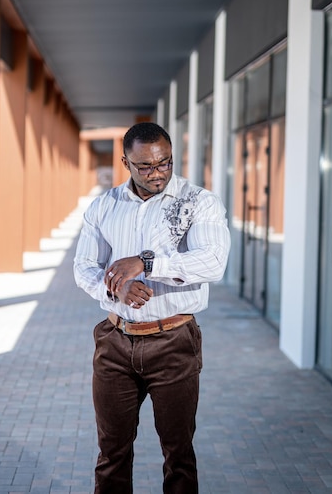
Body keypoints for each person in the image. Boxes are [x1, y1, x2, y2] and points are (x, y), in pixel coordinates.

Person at [73, 122, 231, 494]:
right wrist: (117, 289)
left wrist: (146, 263)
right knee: (112, 452)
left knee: (178, 453)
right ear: (126, 162)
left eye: (165, 163)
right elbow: (83, 266)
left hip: (174, 342)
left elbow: (212, 263)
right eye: (145, 166)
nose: (157, 173)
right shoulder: (104, 206)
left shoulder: (199, 202)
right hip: (115, 341)